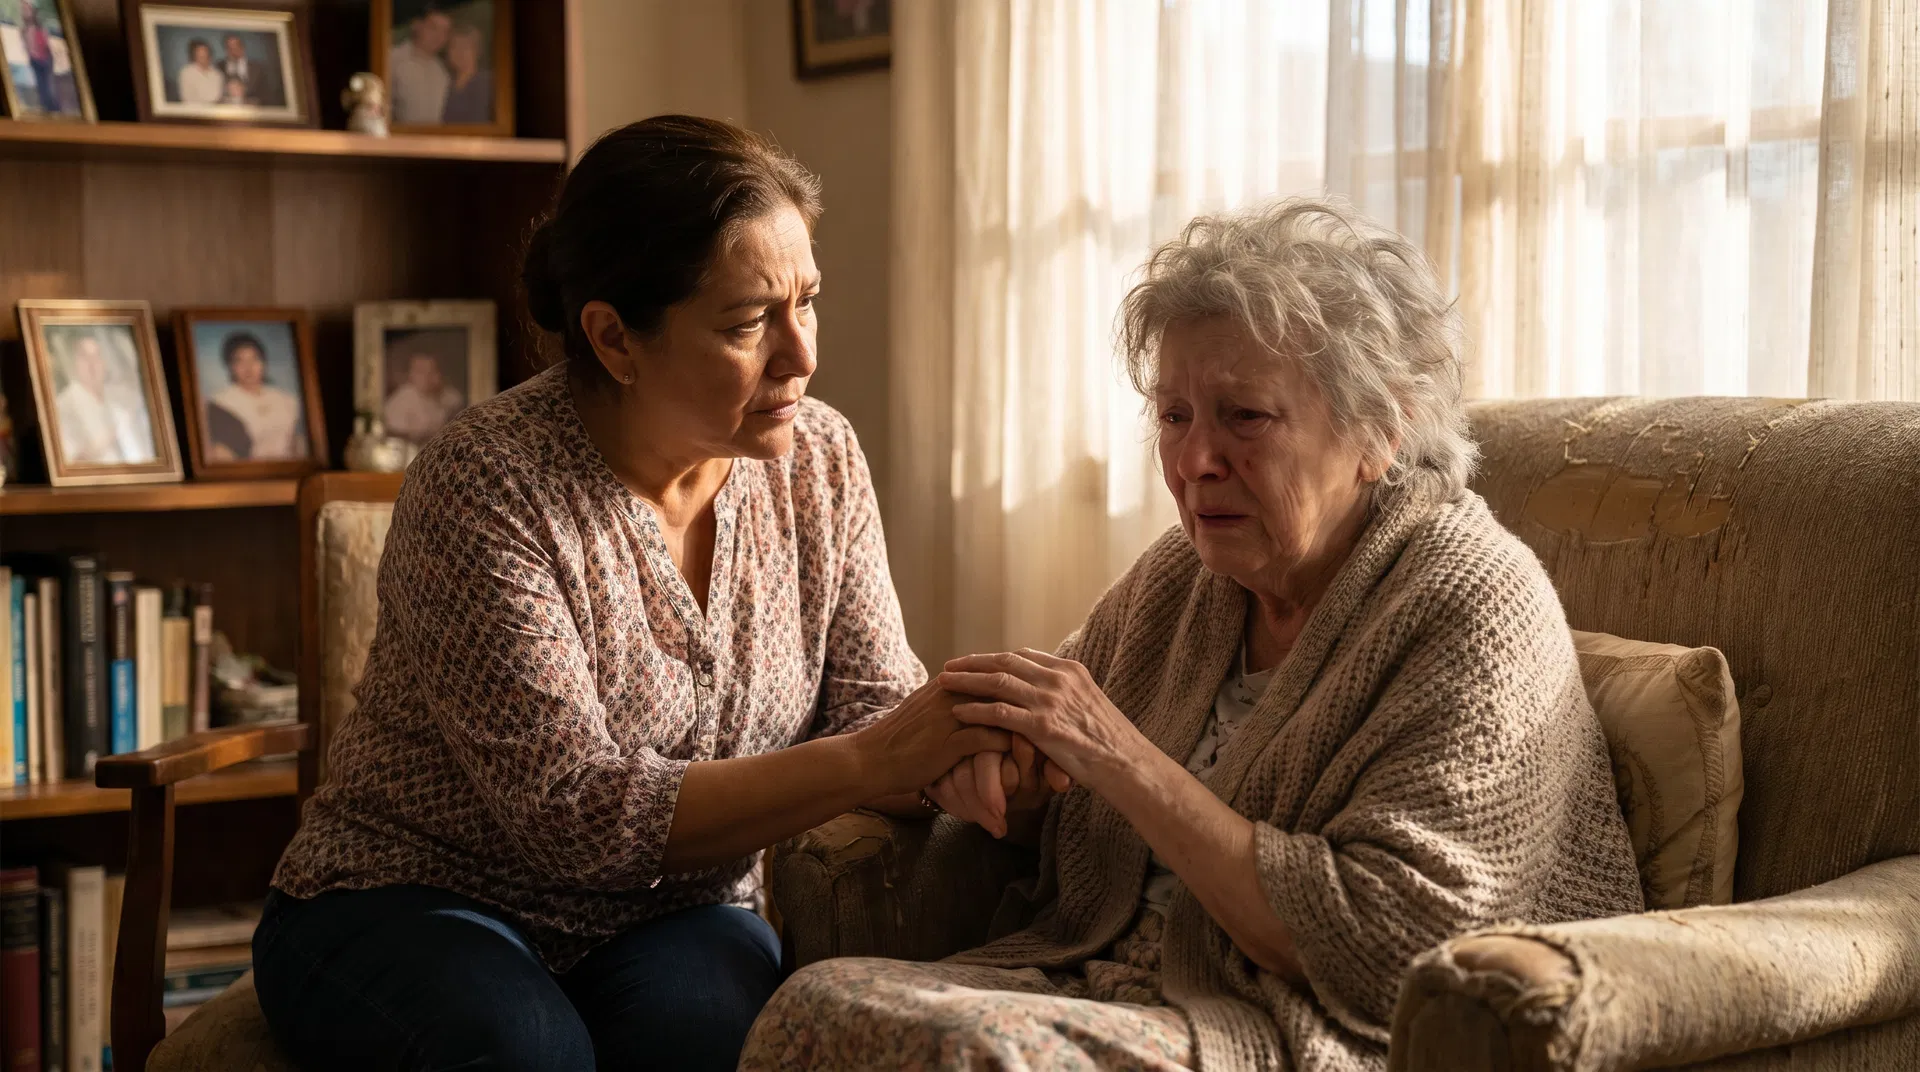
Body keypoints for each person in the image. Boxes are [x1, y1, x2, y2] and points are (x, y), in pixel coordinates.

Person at [740, 199, 1647, 1071]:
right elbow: (1063, 785)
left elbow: (1391, 954)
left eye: (1244, 417)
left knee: (963, 1053)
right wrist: (1010, 780)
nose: (1194, 462)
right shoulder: (1187, 577)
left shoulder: (1472, 603)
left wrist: (1115, 754)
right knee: (818, 1002)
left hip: (1302, 1032)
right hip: (1093, 986)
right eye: (1174, 417)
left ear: (1382, 426)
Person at [252, 115, 1034, 1071]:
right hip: (412, 895)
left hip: (679, 910)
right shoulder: (484, 484)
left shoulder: (820, 458)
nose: (801, 354)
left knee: (717, 1041)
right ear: (614, 337)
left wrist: (974, 760)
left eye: (808, 302)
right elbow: (572, 812)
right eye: (748, 323)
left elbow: (877, 705)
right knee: (527, 1054)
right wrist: (880, 757)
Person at [52, 332, 156, 466]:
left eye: (97, 356)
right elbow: (70, 463)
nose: (92, 364)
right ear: (74, 363)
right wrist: (111, 435)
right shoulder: (63, 406)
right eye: (84, 356)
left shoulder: (118, 402)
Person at [204, 332, 303, 460]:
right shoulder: (220, 403)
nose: (248, 367)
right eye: (240, 361)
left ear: (264, 362)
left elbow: (296, 443)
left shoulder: (285, 399)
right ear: (230, 366)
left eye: (254, 359)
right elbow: (222, 453)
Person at [380, 349, 464, 443]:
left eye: (432, 370)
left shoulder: (448, 395)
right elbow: (396, 435)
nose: (427, 376)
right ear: (410, 374)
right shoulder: (401, 399)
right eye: (420, 371)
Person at [388, 8, 452, 124]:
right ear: (416, 25)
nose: (439, 37)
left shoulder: (442, 72)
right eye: (433, 28)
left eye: (445, 32)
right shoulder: (392, 60)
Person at [440, 22, 492, 124]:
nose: (460, 52)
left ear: (477, 51)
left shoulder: (488, 83)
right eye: (454, 46)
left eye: (466, 46)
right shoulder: (445, 81)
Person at [20, 2, 58, 114]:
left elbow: (45, 43)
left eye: (27, 10)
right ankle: (46, 107)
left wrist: (44, 56)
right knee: (41, 86)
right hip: (35, 60)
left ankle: (52, 108)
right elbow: (27, 45)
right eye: (24, 10)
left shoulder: (39, 27)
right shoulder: (25, 29)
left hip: (44, 59)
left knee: (47, 86)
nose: (25, 12)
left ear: (33, 12)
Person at [176, 39, 222, 105]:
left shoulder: (217, 74)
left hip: (214, 109)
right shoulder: (186, 72)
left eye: (205, 52)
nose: (203, 55)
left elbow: (218, 97)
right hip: (194, 109)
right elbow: (186, 98)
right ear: (194, 55)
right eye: (199, 53)